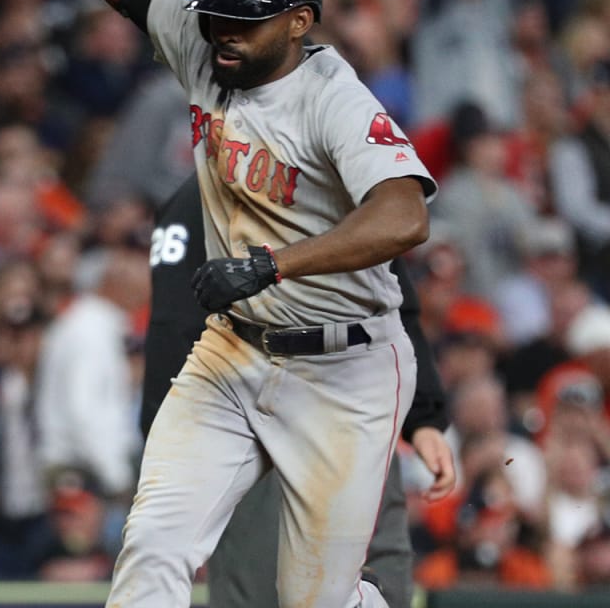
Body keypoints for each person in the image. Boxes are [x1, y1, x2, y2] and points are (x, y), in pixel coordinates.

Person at [77, 0, 438, 607]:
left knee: (317, 601)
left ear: (301, 21)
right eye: (216, 14)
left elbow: (404, 216)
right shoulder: (207, 45)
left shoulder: (334, 97)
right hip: (232, 355)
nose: (222, 32)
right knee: (152, 548)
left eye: (245, 20)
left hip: (346, 369)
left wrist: (276, 264)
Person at [143, 172, 458, 607]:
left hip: (360, 405)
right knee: (265, 589)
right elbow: (173, 327)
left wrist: (424, 418)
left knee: (380, 580)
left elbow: (393, 304)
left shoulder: (343, 179)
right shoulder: (198, 198)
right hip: (257, 427)